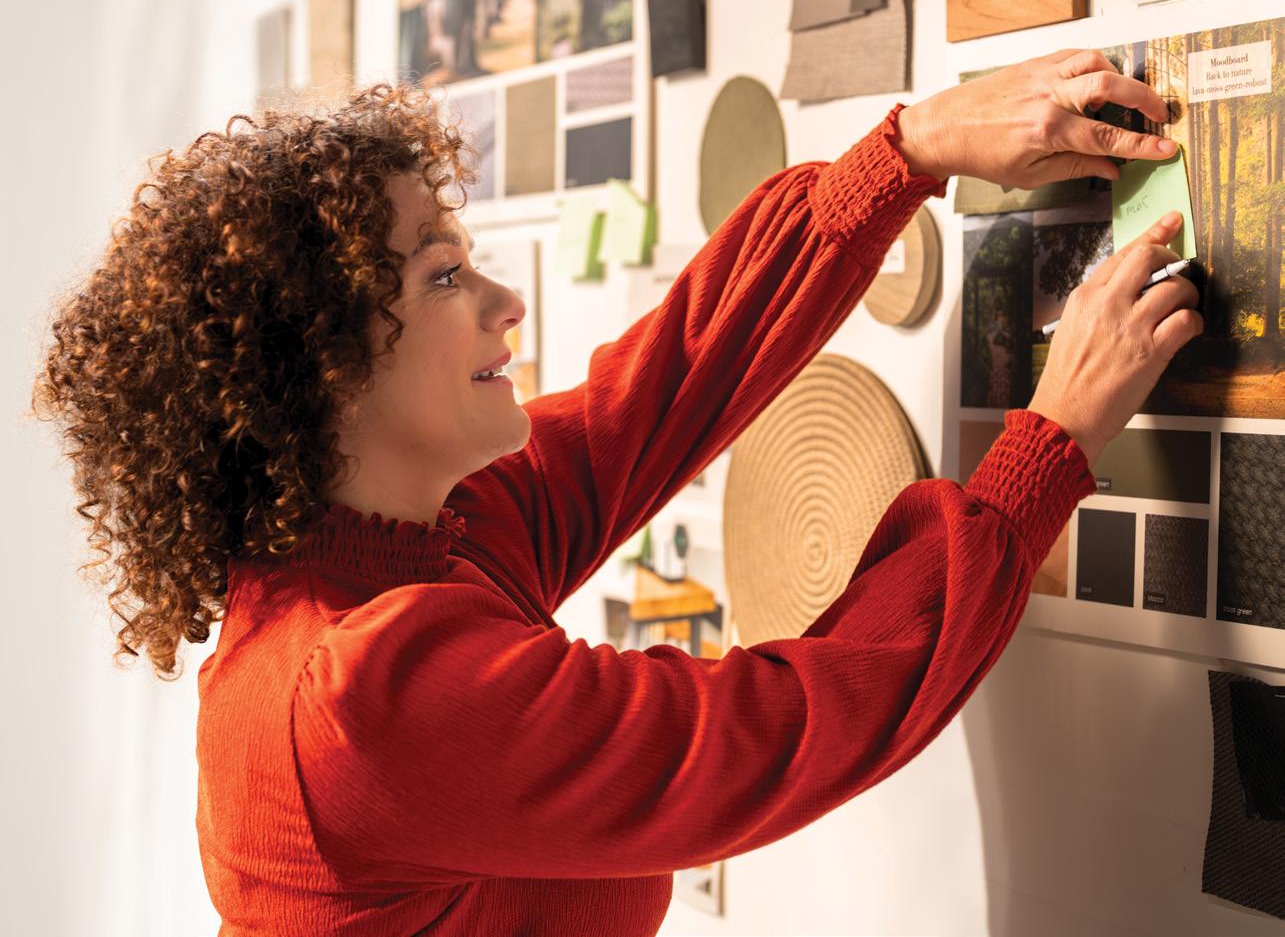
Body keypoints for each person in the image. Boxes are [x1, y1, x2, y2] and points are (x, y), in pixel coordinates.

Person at [30, 49, 1200, 934]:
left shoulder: (423, 534)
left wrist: (912, 149)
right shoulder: (356, 697)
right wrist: (1046, 446)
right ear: (326, 368)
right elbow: (781, 731)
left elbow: (661, 392)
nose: (504, 303)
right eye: (443, 276)